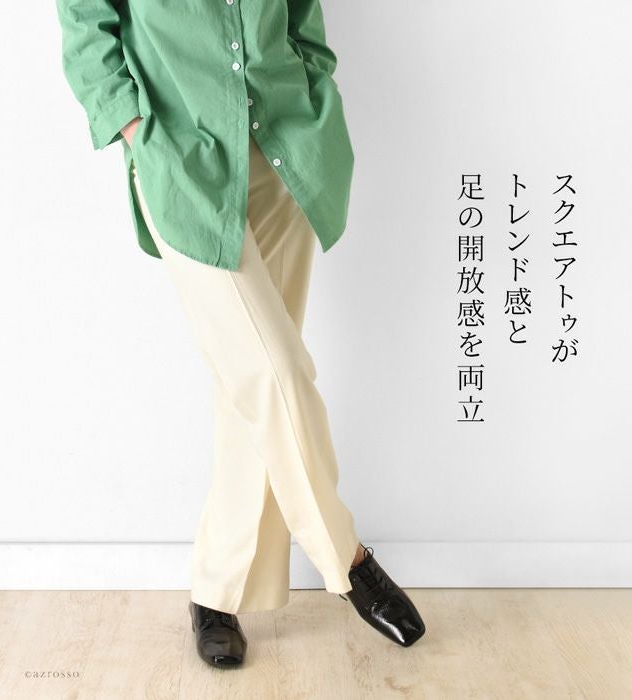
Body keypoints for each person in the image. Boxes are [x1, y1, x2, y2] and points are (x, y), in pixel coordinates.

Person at [56, 0, 425, 667]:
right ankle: (349, 561)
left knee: (248, 394)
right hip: (184, 161)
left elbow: (301, 14)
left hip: (284, 146)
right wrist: (138, 132)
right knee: (275, 374)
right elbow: (86, 24)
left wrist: (314, 81)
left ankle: (216, 593)